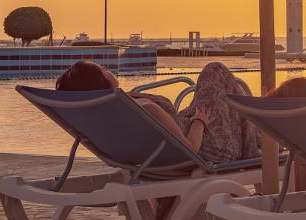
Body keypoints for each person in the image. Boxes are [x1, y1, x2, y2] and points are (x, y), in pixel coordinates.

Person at [55, 60, 259, 164]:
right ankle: (255, 146)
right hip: (212, 148)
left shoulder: (108, 114)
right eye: (103, 70)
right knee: (215, 71)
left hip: (162, 155)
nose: (108, 69)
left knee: (218, 84)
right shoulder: (145, 109)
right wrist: (199, 120)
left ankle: (257, 139)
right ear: (99, 83)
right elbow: (189, 148)